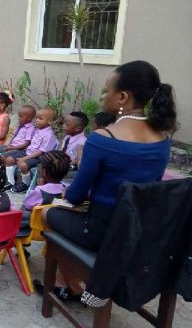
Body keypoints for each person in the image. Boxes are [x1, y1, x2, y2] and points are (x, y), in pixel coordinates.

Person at [37, 60, 176, 299]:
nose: (102, 96)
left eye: (105, 91)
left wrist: (69, 194)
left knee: (46, 213)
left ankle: (70, 284)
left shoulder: (103, 138)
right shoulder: (162, 139)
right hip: (140, 231)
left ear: (122, 97)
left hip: (103, 232)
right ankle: (71, 282)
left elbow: (76, 195)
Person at [4, 108, 57, 193]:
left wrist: (25, 158)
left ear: (50, 121)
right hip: (28, 152)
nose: (37, 120)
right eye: (36, 118)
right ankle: (10, 181)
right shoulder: (38, 130)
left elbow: (40, 152)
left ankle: (25, 184)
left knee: (23, 165)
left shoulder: (49, 135)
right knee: (9, 159)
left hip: (39, 157)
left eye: (40, 118)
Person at [21, 150, 70, 231]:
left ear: (44, 172)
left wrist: (39, 187)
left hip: (36, 229)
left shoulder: (39, 191)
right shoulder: (67, 188)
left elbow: (27, 205)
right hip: (56, 226)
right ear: (66, 174)